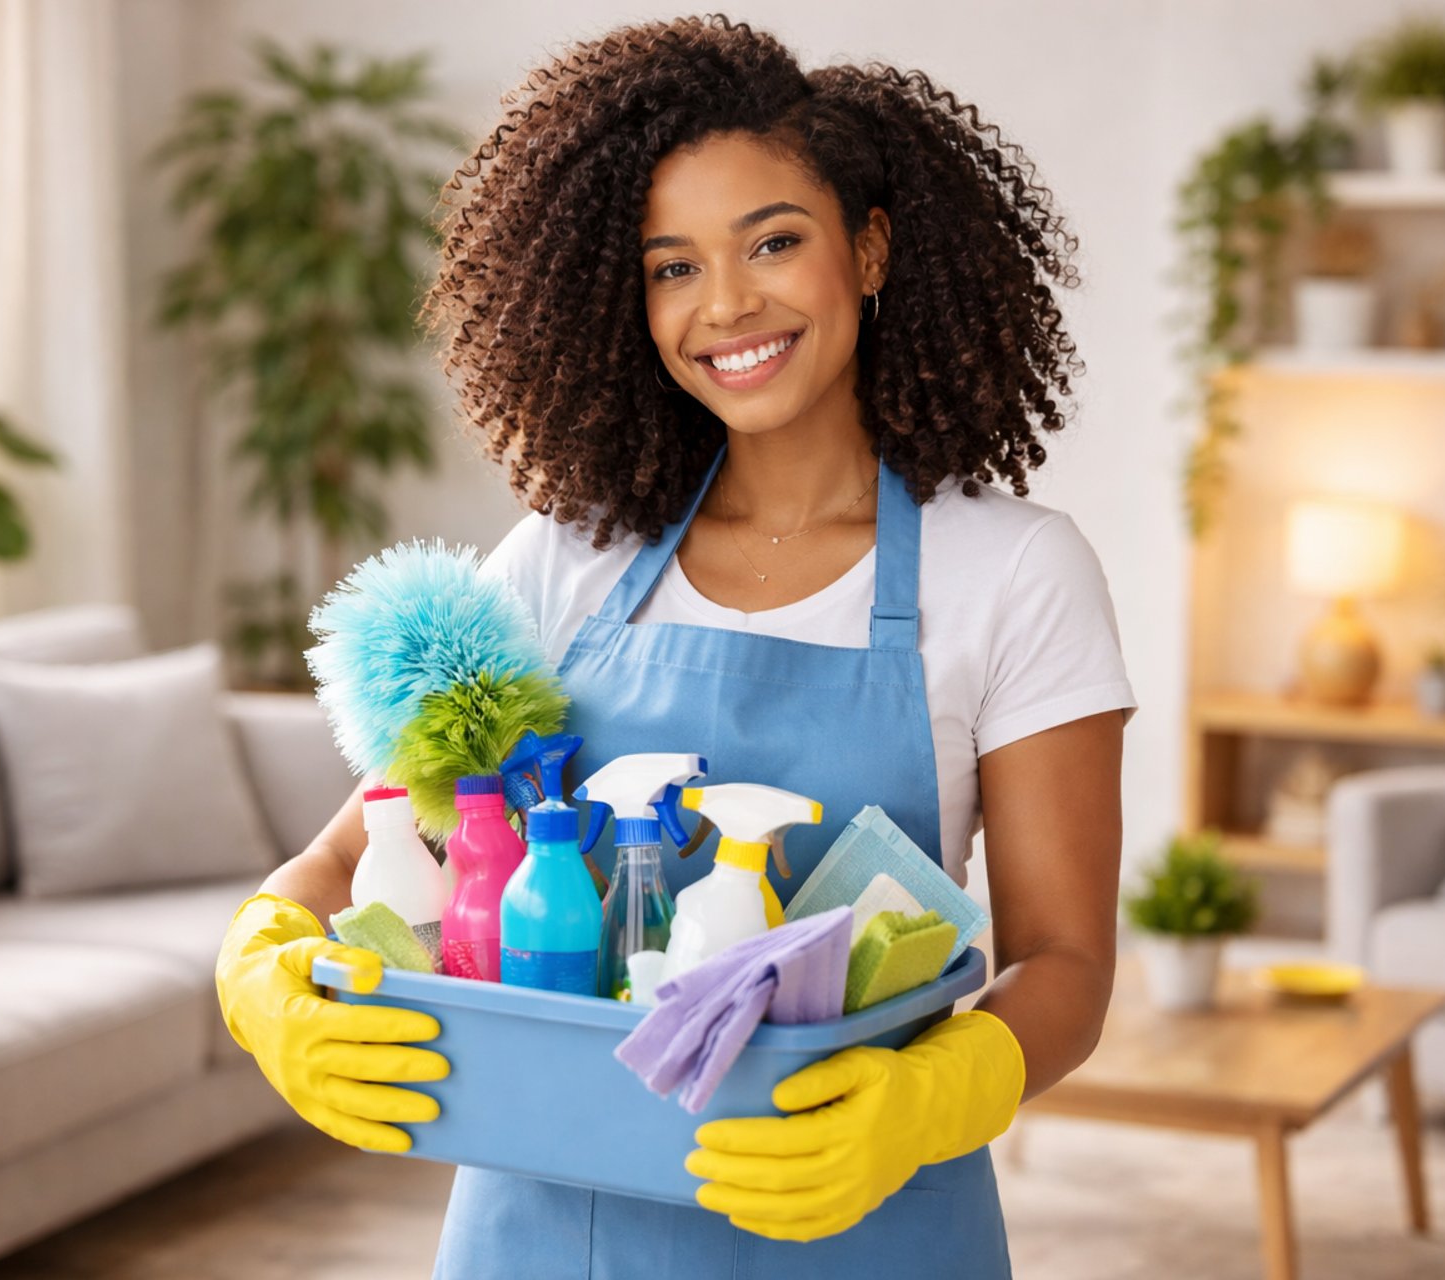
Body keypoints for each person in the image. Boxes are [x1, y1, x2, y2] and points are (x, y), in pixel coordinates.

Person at [215, 15, 1136, 1278]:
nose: (727, 304)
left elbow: (1067, 961)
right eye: (671, 266)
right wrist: (258, 972)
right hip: (549, 1231)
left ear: (867, 250)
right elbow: (359, 849)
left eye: (773, 241)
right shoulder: (566, 556)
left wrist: (930, 1098)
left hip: (859, 1214)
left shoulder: (1014, 570)